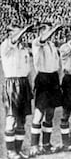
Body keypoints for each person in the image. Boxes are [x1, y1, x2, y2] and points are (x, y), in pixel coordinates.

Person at [30, 23, 63, 156]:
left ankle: (46, 144)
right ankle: (34, 146)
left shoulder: (52, 45)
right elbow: (43, 39)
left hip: (53, 79)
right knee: (39, 113)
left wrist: (58, 80)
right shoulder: (37, 43)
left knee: (50, 113)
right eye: (49, 31)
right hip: (43, 79)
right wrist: (55, 28)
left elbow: (57, 64)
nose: (52, 33)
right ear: (42, 32)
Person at [1, 24, 33, 159]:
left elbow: (28, 69)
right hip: (11, 84)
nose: (21, 34)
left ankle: (18, 150)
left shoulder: (23, 48)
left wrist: (30, 85)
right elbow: (14, 40)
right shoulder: (5, 45)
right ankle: (10, 151)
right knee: (11, 118)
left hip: (24, 83)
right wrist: (25, 29)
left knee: (22, 119)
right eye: (17, 31)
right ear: (10, 34)